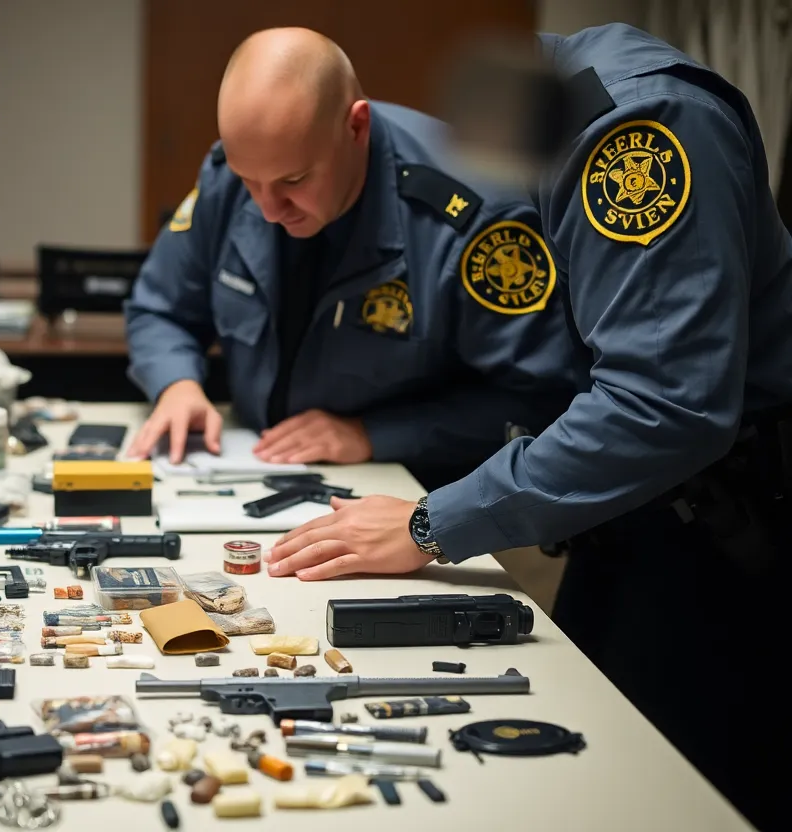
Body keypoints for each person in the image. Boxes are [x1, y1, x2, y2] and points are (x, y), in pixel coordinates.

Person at [267, 23, 788, 830]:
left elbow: (661, 406)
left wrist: (429, 524)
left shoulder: (632, 131)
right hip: (637, 509)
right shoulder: (546, 99)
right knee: (580, 742)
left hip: (723, 527)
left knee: (670, 794)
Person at [123, 27, 580, 489]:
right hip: (257, 469)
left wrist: (376, 435)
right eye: (249, 181)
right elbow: (160, 308)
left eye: (294, 181)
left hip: (411, 491)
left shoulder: (472, 221)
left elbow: (545, 402)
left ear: (356, 127)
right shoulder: (230, 174)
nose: (268, 209)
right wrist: (176, 384)